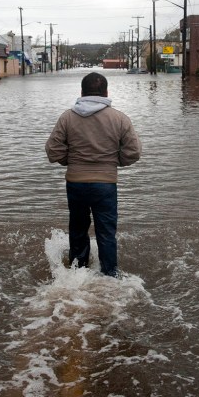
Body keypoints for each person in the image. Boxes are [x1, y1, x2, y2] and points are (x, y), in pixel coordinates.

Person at [45, 72, 141, 277]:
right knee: (106, 233)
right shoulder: (119, 118)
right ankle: (110, 276)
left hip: (75, 183)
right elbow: (133, 152)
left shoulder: (67, 117)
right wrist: (113, 163)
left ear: (82, 92)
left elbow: (53, 151)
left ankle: (77, 275)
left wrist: (69, 161)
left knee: (78, 230)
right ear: (106, 92)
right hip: (106, 184)